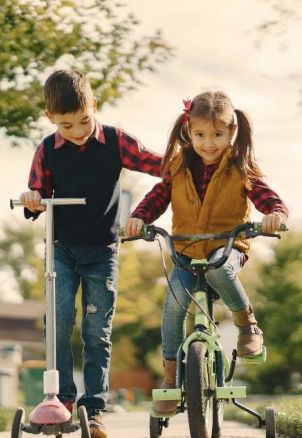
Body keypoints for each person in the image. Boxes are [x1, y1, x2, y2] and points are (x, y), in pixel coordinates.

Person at [125, 91, 289, 415]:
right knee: (173, 305)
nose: (208, 143)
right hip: (185, 251)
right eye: (200, 135)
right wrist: (139, 218)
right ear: (189, 131)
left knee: (218, 268)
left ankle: (247, 326)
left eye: (217, 134)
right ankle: (170, 380)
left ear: (231, 133)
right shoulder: (177, 166)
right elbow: (158, 196)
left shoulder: (241, 167)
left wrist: (276, 216)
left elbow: (270, 199)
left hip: (228, 248)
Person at [20, 69, 162, 437]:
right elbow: (36, 196)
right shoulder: (47, 150)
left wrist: (193, 161)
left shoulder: (115, 141)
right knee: (60, 323)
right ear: (51, 117)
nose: (79, 131)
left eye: (84, 120)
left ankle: (94, 408)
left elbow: (157, 164)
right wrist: (32, 198)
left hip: (102, 251)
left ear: (93, 106)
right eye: (67, 125)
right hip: (62, 250)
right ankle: (61, 401)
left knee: (97, 331)